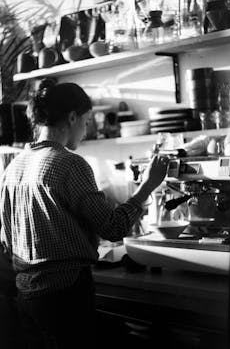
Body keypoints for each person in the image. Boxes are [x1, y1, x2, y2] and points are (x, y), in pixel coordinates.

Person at [0, 78, 169, 349]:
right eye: (86, 121)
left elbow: (7, 241)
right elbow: (113, 228)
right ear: (72, 117)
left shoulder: (14, 166)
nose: (86, 130)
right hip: (65, 296)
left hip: (28, 298)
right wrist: (147, 185)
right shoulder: (69, 163)